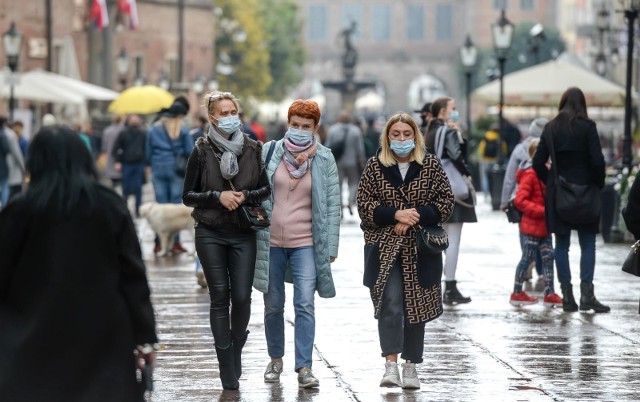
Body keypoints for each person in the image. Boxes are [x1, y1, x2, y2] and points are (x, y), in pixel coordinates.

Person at [0, 125, 158, 401]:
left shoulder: (19, 209)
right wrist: (144, 335)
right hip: (103, 334)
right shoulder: (109, 205)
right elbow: (133, 275)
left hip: (30, 333)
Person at [356, 112, 454, 389]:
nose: (401, 139)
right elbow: (364, 205)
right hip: (385, 248)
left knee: (416, 307)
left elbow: (446, 202)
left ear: (415, 136)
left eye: (406, 134)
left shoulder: (430, 164)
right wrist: (395, 215)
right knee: (390, 302)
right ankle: (390, 364)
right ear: (387, 137)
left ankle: (411, 366)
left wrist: (415, 216)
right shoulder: (375, 166)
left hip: (420, 249)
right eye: (395, 134)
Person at [182, 90, 270, 390]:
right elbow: (188, 196)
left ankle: (235, 347)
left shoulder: (253, 148)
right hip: (210, 231)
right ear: (212, 117)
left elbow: (264, 190)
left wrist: (244, 195)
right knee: (220, 297)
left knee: (243, 297)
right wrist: (217, 197)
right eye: (224, 112)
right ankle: (225, 366)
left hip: (243, 232)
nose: (231, 116)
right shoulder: (201, 150)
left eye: (234, 111)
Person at [254, 99, 340, 389]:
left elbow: (332, 205)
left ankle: (304, 366)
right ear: (288, 123)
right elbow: (255, 192)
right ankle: (275, 359)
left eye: (306, 126)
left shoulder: (325, 158)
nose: (299, 130)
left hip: (306, 242)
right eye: (295, 124)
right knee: (273, 305)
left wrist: (330, 248)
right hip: (271, 242)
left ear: (315, 128)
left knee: (305, 303)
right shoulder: (269, 152)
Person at [532, 87, 609, 313]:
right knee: (588, 244)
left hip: (560, 195)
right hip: (587, 193)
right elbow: (597, 161)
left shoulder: (551, 128)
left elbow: (537, 163)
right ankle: (587, 296)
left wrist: (553, 181)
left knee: (561, 246)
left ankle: (567, 296)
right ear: (582, 104)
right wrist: (597, 184)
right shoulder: (588, 127)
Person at [425, 97, 477, 304]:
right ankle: (451, 285)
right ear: (442, 111)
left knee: (439, 238)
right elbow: (457, 155)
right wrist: (467, 173)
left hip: (434, 188)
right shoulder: (446, 131)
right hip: (451, 188)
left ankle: (434, 283)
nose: (455, 112)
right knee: (453, 239)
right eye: (452, 109)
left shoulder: (430, 131)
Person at [509, 139, 563, 307]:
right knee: (527, 258)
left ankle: (549, 293)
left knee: (548, 258)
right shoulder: (531, 174)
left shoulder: (546, 173)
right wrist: (542, 211)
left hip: (545, 227)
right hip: (532, 226)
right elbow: (520, 200)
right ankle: (517, 293)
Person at [501, 117, 549, 290]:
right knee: (543, 235)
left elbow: (510, 176)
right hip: (543, 203)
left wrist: (504, 200)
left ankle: (527, 262)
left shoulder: (521, 148)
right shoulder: (549, 148)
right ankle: (542, 270)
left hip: (522, 200)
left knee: (526, 232)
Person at [147, 98, 194, 254]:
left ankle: (160, 243)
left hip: (158, 169)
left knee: (160, 207)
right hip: (176, 170)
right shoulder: (182, 128)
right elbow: (189, 150)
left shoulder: (154, 128)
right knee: (176, 209)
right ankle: (175, 243)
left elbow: (148, 151)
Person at [325, 110, 366, 216]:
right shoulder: (356, 130)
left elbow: (328, 146)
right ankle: (350, 200)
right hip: (352, 162)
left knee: (337, 185)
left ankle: (341, 208)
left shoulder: (333, 129)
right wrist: (361, 160)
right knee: (353, 182)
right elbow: (360, 148)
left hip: (337, 162)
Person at [113, 114, 147, 218]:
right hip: (127, 164)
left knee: (138, 188)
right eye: (133, 120)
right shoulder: (123, 133)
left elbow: (146, 148)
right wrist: (118, 161)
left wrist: (146, 163)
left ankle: (138, 210)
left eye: (136, 119)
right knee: (125, 188)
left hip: (139, 164)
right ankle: (124, 209)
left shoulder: (143, 133)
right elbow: (116, 148)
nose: (135, 121)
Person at [0, 116, 25, 206]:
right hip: (9, 167)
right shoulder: (10, 135)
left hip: (6, 166)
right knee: (6, 187)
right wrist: (23, 167)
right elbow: (17, 153)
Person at [477, 124, 506, 196]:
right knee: (495, 178)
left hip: (485, 160)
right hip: (495, 160)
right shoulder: (499, 138)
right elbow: (504, 149)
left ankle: (486, 193)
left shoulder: (486, 137)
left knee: (485, 177)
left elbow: (481, 148)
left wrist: (480, 157)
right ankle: (494, 192)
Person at [100, 114, 125, 188]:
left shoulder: (107, 130)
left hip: (110, 154)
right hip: (121, 154)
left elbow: (104, 144)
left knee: (112, 173)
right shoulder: (123, 130)